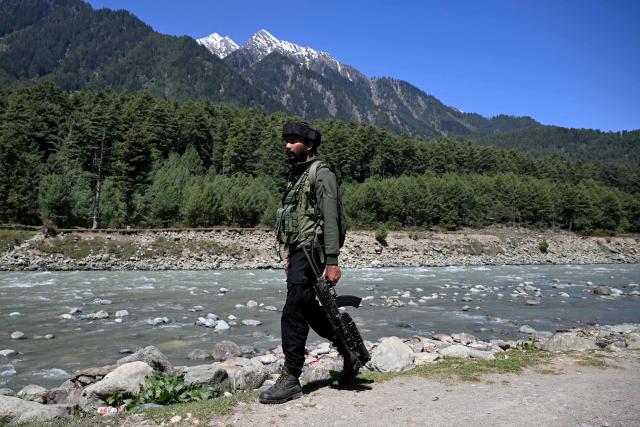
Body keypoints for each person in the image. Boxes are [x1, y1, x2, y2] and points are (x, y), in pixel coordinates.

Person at [259, 121, 353, 404]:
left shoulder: (320, 173)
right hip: (299, 252)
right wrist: (289, 254)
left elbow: (331, 218)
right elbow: (296, 219)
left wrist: (332, 261)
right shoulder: (296, 176)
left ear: (309, 145)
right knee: (308, 309)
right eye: (286, 140)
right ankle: (348, 349)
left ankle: (291, 377)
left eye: (294, 140)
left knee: (292, 310)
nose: (287, 145)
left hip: (314, 253)